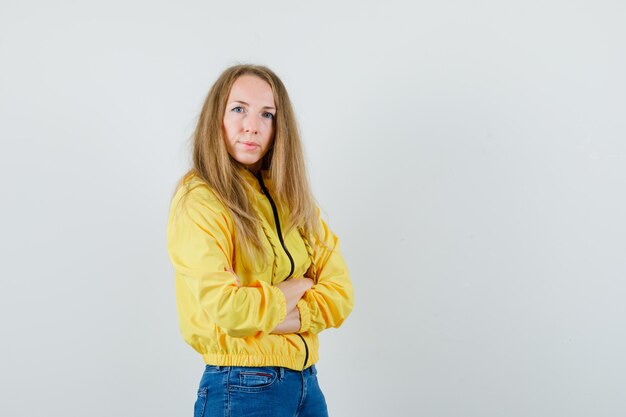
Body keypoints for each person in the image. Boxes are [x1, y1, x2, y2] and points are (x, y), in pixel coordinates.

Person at [166, 64, 354, 416]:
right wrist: (301, 284)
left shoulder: (292, 199)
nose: (252, 125)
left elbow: (341, 297)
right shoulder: (201, 199)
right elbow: (230, 312)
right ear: (216, 117)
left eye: (267, 114)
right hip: (241, 385)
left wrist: (260, 311)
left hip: (306, 386)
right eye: (238, 109)